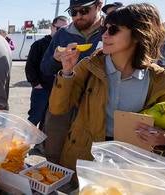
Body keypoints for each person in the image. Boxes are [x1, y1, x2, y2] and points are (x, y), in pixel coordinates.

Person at [50, 4, 165, 175]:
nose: (104, 35)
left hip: (129, 165)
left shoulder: (158, 79)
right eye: (105, 29)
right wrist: (67, 72)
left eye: (113, 30)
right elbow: (57, 108)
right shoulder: (89, 66)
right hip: (84, 158)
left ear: (137, 34)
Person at [40, 0, 104, 163]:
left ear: (99, 5)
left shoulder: (110, 29)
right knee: (53, 152)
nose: (78, 16)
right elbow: (45, 68)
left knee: (88, 158)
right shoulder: (63, 34)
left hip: (96, 106)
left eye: (84, 10)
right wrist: (55, 59)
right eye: (73, 12)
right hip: (63, 101)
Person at [25, 16, 68, 128]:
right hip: (41, 90)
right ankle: (20, 144)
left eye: (66, 29)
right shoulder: (39, 45)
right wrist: (36, 84)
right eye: (59, 29)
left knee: (47, 122)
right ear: (52, 27)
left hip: (57, 90)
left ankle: (40, 145)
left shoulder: (67, 46)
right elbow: (30, 67)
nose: (62, 32)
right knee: (34, 118)